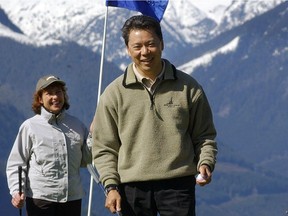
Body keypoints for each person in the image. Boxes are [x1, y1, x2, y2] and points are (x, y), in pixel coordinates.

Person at [92, 15, 217, 216]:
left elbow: (204, 136)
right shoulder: (113, 94)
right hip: (131, 188)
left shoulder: (189, 88)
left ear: (162, 44)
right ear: (127, 49)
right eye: (137, 46)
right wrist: (111, 186)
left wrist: (205, 162)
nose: (144, 52)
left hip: (178, 186)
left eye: (150, 44)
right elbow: (104, 147)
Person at [6, 75, 92, 216]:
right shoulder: (30, 126)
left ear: (64, 95)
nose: (55, 97)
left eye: (58, 92)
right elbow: (17, 163)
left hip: (72, 199)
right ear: (40, 99)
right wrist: (17, 191)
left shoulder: (77, 125)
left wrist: (93, 135)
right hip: (40, 200)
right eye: (49, 93)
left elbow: (86, 160)